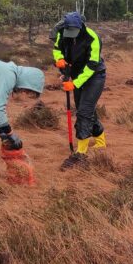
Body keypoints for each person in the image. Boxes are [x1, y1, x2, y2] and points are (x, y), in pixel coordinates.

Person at [51, 11, 106, 169]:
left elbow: (92, 65)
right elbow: (57, 48)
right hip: (76, 75)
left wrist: (75, 83)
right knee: (86, 110)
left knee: (83, 112)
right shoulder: (62, 33)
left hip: (95, 76)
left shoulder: (92, 38)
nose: (70, 34)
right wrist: (59, 60)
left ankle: (81, 152)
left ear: (80, 27)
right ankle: (101, 141)